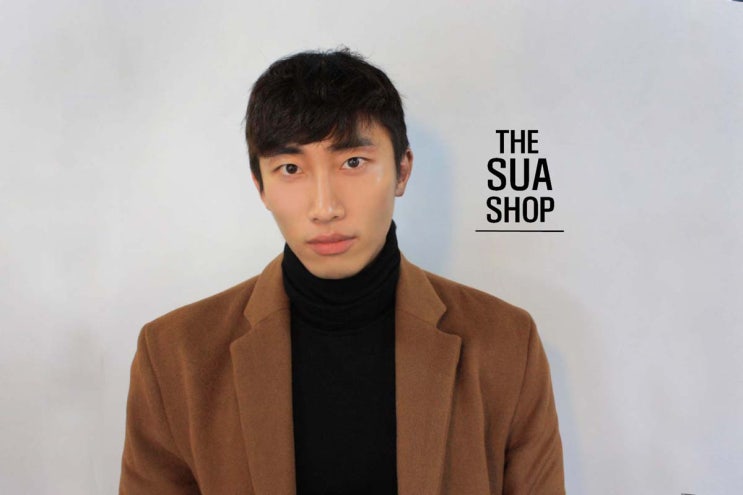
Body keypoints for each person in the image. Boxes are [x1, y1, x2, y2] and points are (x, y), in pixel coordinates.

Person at [119, 48, 565, 495]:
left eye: (353, 162)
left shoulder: (507, 343)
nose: (325, 208)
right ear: (260, 186)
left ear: (402, 170)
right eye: (290, 168)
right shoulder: (174, 356)